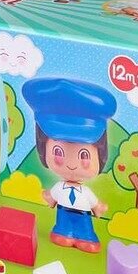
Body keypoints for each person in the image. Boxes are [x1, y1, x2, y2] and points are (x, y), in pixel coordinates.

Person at [22, 78, 116, 253]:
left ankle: (87, 237)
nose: (72, 164)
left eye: (84, 155)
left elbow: (93, 202)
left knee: (86, 229)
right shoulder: (60, 187)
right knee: (62, 228)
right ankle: (63, 233)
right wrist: (48, 197)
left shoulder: (84, 192)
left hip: (83, 216)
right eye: (58, 152)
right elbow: (52, 196)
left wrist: (97, 207)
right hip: (63, 214)